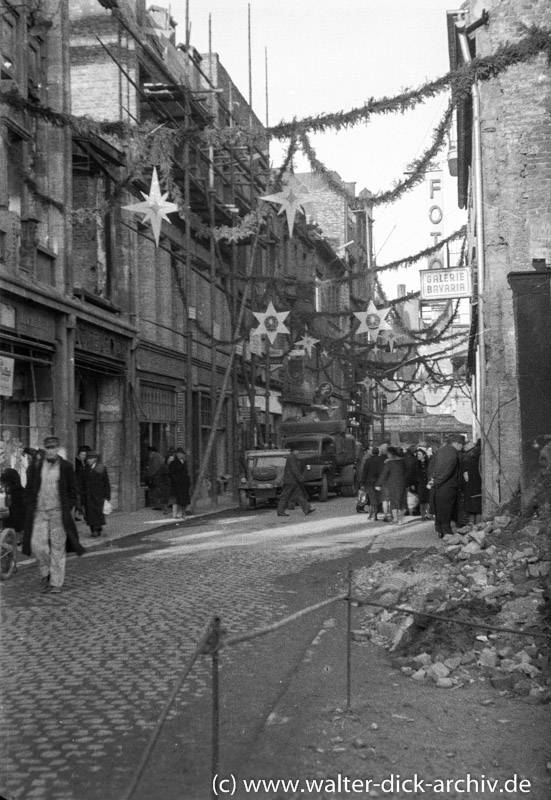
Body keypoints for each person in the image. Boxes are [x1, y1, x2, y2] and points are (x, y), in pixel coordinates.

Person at [22, 435, 85, 594]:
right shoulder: (36, 466)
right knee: (38, 546)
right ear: (45, 449)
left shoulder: (66, 467)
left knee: (58, 548)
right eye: (48, 448)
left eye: (53, 448)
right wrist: (30, 504)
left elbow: (73, 490)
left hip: (58, 513)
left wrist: (68, 506)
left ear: (57, 449)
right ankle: (46, 573)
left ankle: (56, 582)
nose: (50, 451)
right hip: (40, 513)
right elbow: (29, 487)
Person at [427, 434, 464, 538]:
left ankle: (439, 530)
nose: (462, 447)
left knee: (439, 510)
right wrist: (438, 480)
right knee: (446, 510)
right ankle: (447, 533)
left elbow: (432, 467)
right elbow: (448, 470)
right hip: (448, 486)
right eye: (461, 444)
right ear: (456, 444)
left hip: (437, 486)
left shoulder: (440, 451)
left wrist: (432, 480)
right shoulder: (453, 453)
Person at [277, 449, 315, 517]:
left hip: (292, 480)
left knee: (299, 495)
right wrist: (300, 478)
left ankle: (307, 509)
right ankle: (280, 511)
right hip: (290, 481)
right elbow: (294, 469)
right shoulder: (292, 457)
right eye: (298, 451)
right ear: (294, 451)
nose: (298, 453)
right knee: (285, 496)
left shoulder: (291, 457)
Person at [375, 446, 407, 524]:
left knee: (394, 501)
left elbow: (383, 474)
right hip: (402, 483)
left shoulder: (389, 463)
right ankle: (400, 519)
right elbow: (406, 473)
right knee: (401, 501)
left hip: (392, 484)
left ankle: (396, 519)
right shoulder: (402, 462)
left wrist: (378, 484)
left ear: (390, 453)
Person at [83, 452, 111, 538]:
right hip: (88, 495)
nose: (89, 461)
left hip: (98, 495)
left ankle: (97, 529)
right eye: (88, 459)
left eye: (91, 459)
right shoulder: (85, 469)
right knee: (90, 514)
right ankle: (93, 529)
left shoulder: (101, 468)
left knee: (97, 513)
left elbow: (106, 483)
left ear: (95, 459)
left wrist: (107, 496)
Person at [360, 446, 386, 521]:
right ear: (378, 453)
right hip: (378, 482)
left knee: (372, 499)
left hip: (369, 482)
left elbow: (365, 472)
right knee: (378, 498)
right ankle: (375, 514)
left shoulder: (368, 460)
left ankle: (373, 515)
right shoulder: (381, 460)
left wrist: (362, 482)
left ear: (372, 453)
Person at [461, 439, 482, 525]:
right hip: (479, 485)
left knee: (471, 509)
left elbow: (465, 476)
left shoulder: (467, 457)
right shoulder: (479, 455)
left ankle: (471, 527)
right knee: (478, 508)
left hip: (470, 486)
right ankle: (478, 526)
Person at [168, 447, 191, 519]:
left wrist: (188, 481)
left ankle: (183, 513)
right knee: (177, 499)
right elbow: (171, 474)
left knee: (185, 499)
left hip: (184, 484)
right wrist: (176, 480)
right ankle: (177, 514)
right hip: (177, 484)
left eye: (182, 454)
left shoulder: (184, 462)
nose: (181, 455)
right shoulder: (173, 463)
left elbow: (186, 473)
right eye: (180, 453)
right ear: (177, 454)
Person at [411, 447, 431, 520]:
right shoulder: (415, 464)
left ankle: (428, 514)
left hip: (428, 482)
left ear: (424, 455)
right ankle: (423, 515)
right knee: (422, 499)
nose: (418, 456)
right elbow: (413, 474)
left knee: (428, 499)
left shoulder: (428, 463)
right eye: (417, 454)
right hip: (420, 483)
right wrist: (413, 483)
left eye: (419, 454)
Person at [144, 446, 165, 510]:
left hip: (157, 477)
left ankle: (159, 505)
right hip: (159, 477)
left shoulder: (155, 457)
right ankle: (159, 504)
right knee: (158, 491)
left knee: (157, 491)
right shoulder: (159, 457)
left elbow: (154, 468)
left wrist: (150, 475)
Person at [74, 444, 91, 521]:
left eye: (85, 455)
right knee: (78, 500)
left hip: (85, 485)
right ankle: (78, 515)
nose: (83, 456)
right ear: (78, 455)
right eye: (82, 454)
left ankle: (83, 516)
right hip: (77, 484)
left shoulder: (88, 464)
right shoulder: (76, 463)